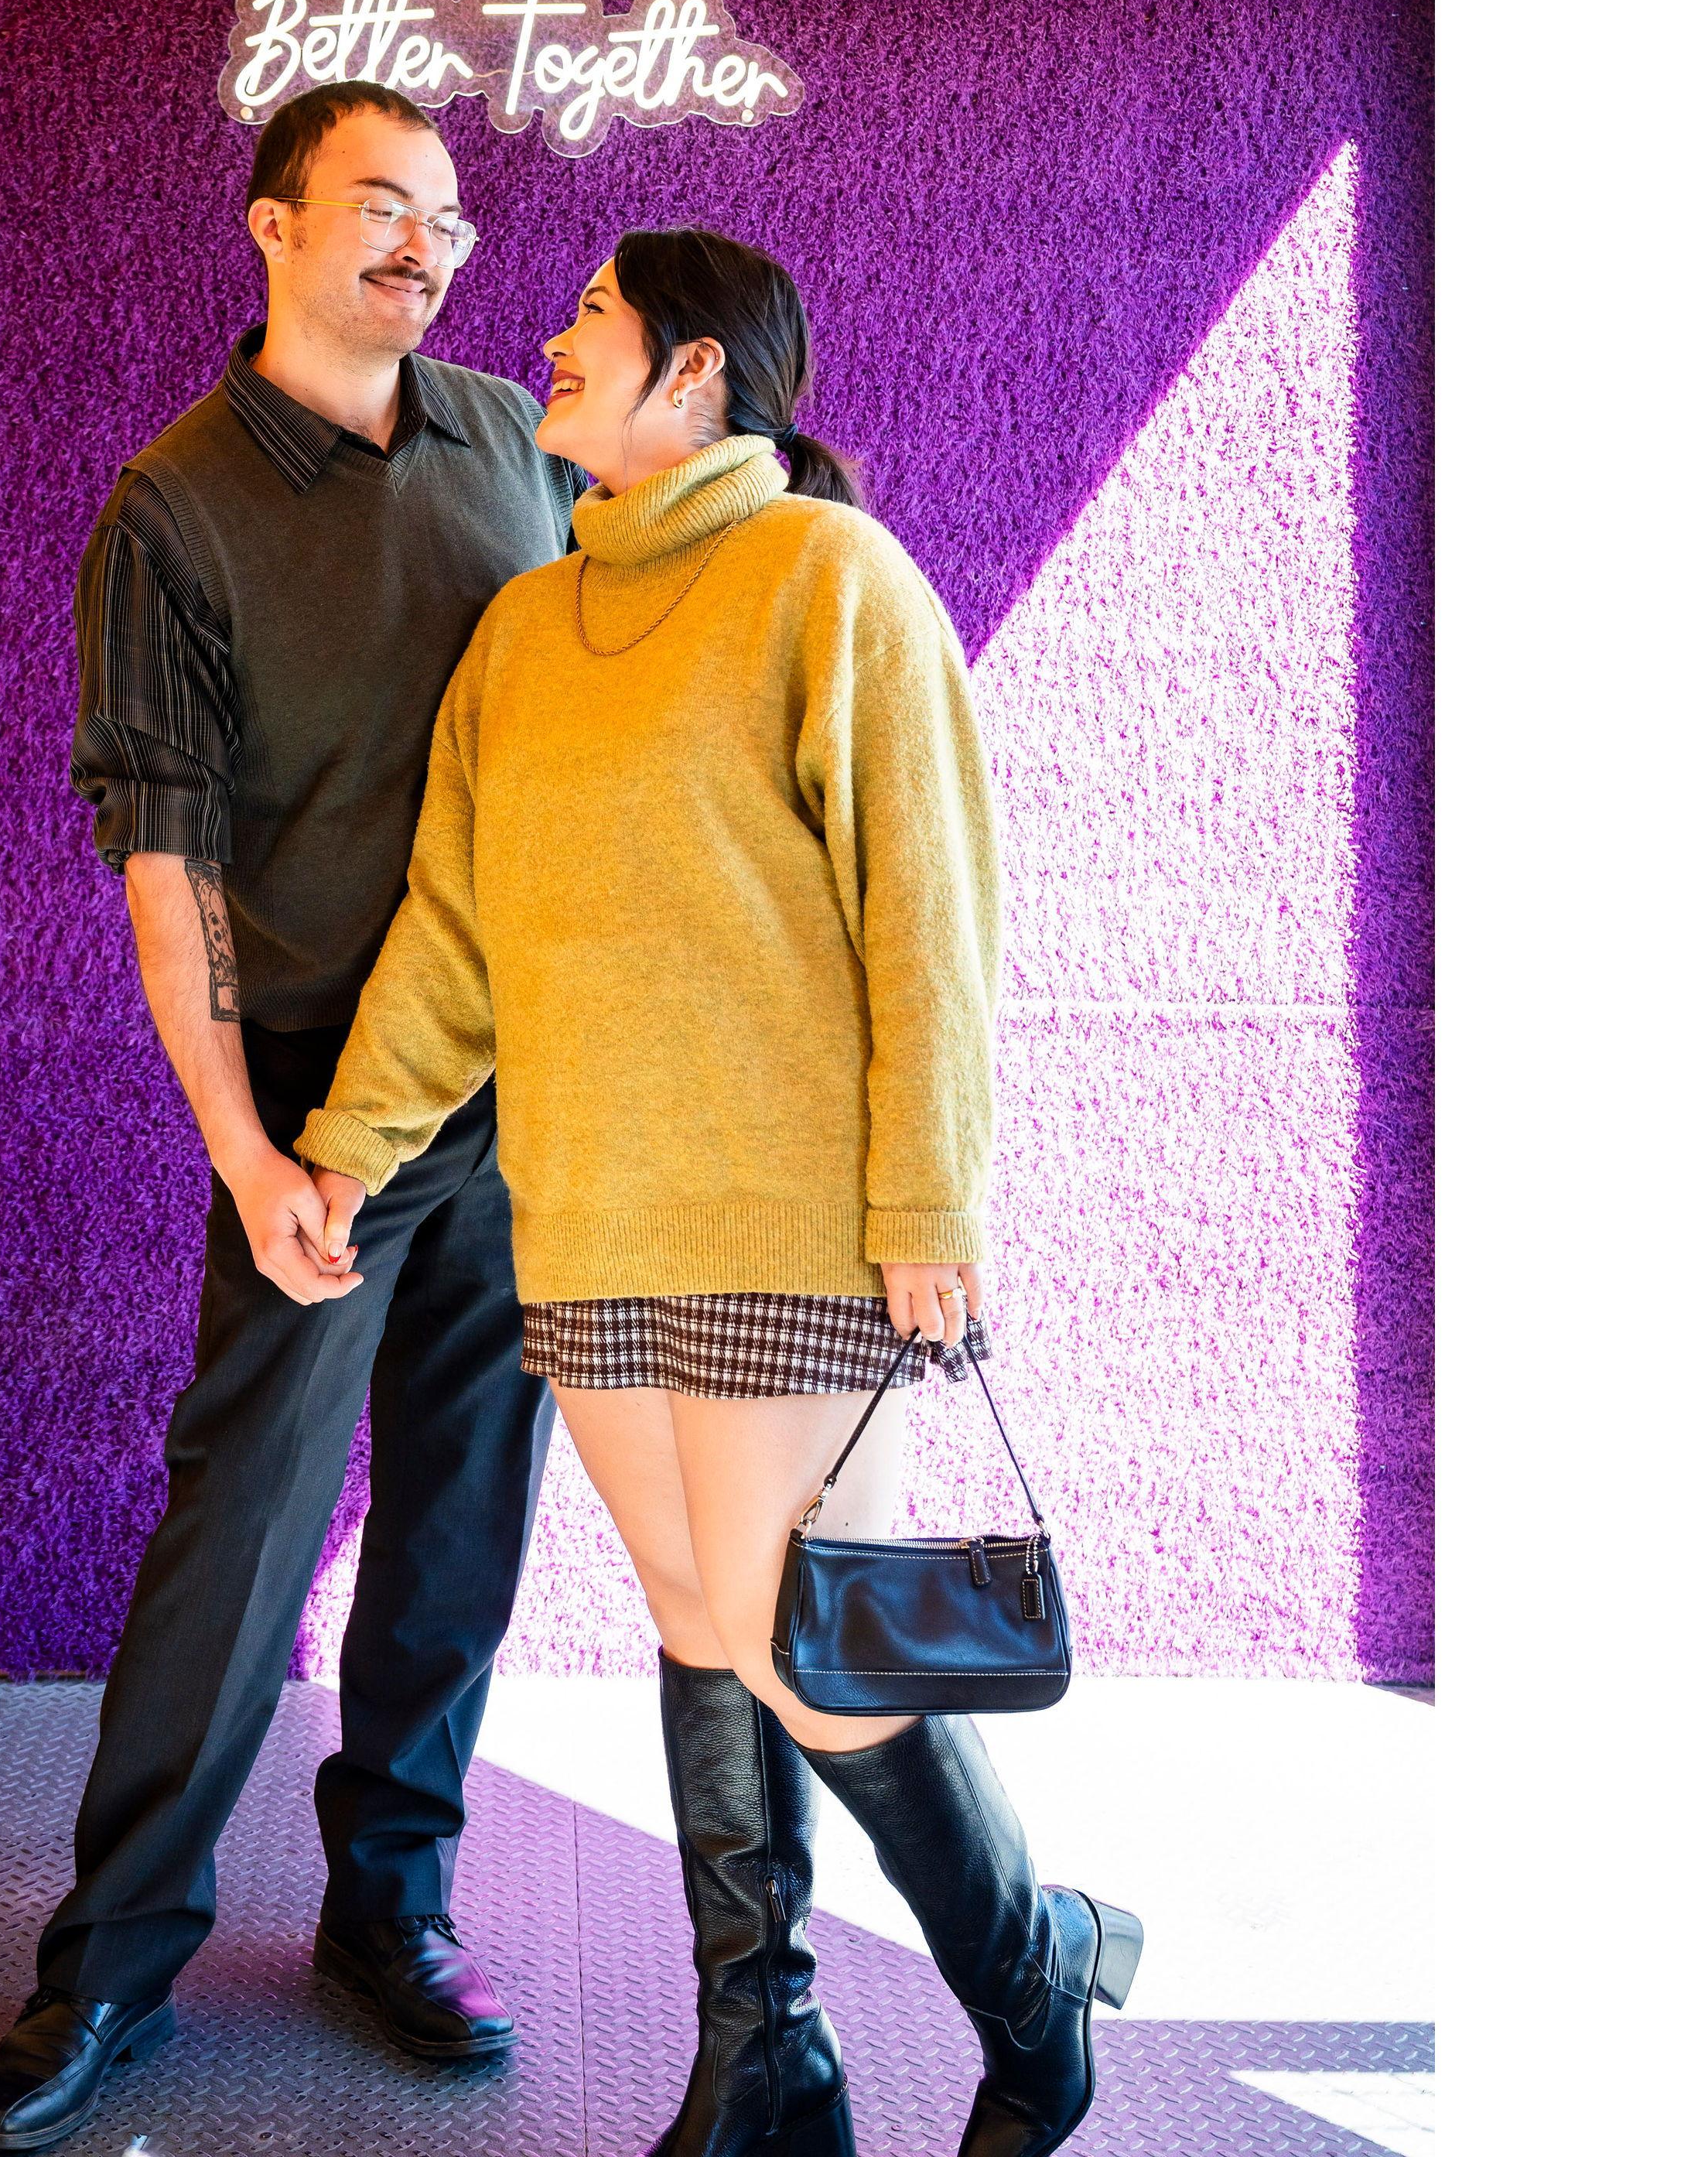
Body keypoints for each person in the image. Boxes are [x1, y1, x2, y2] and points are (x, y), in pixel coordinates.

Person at [299, 227, 1143, 2157]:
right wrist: (354, 1142)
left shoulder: (830, 579)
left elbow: (931, 913)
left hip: (790, 1221)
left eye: (592, 316)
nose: (550, 338)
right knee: (699, 1615)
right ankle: (765, 2057)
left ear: (696, 373)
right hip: (594, 1225)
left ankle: (1037, 1976)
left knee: (802, 1643)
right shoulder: (524, 634)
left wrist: (929, 1203)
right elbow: (453, 937)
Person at [0, 82, 578, 2152]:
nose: (424, 245)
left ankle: (393, 1910)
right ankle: (111, 1962)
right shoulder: (177, 508)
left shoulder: (515, 443)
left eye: (450, 219)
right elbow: (172, 868)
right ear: (273, 226)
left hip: (523, 1093)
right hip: (318, 1113)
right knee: (242, 1534)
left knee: (462, 1520)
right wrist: (244, 1148)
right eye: (380, 204)